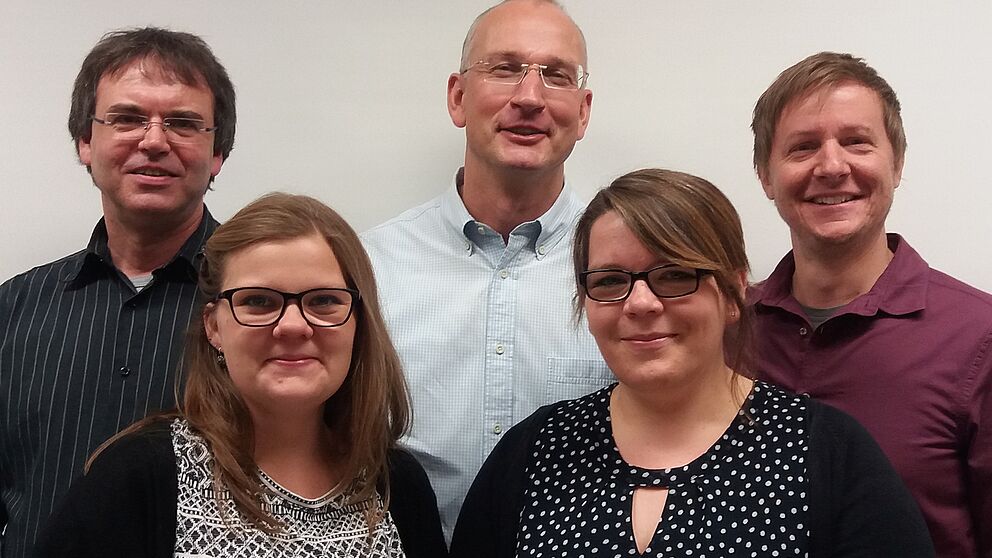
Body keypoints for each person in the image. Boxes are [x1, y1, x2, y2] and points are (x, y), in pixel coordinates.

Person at [450, 168, 935, 557]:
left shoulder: (825, 452)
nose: (640, 303)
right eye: (610, 281)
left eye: (674, 275)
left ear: (734, 292)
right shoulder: (537, 451)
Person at [35, 193, 446, 557]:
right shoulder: (138, 478)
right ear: (214, 327)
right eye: (258, 301)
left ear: (359, 323)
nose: (293, 326)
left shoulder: (396, 484)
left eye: (323, 301)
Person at [362, 0, 611, 539]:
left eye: (556, 75)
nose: (530, 97)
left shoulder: (626, 278)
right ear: (458, 97)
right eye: (504, 68)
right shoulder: (370, 268)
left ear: (583, 111)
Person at [0, 27, 236, 557]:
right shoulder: (13, 308)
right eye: (127, 118)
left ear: (217, 151)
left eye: (182, 123)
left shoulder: (266, 308)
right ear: (86, 142)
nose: (154, 141)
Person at [749, 52, 992, 558]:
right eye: (803, 147)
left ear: (896, 163)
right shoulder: (726, 330)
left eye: (856, 142)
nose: (831, 166)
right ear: (765, 176)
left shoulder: (979, 337)